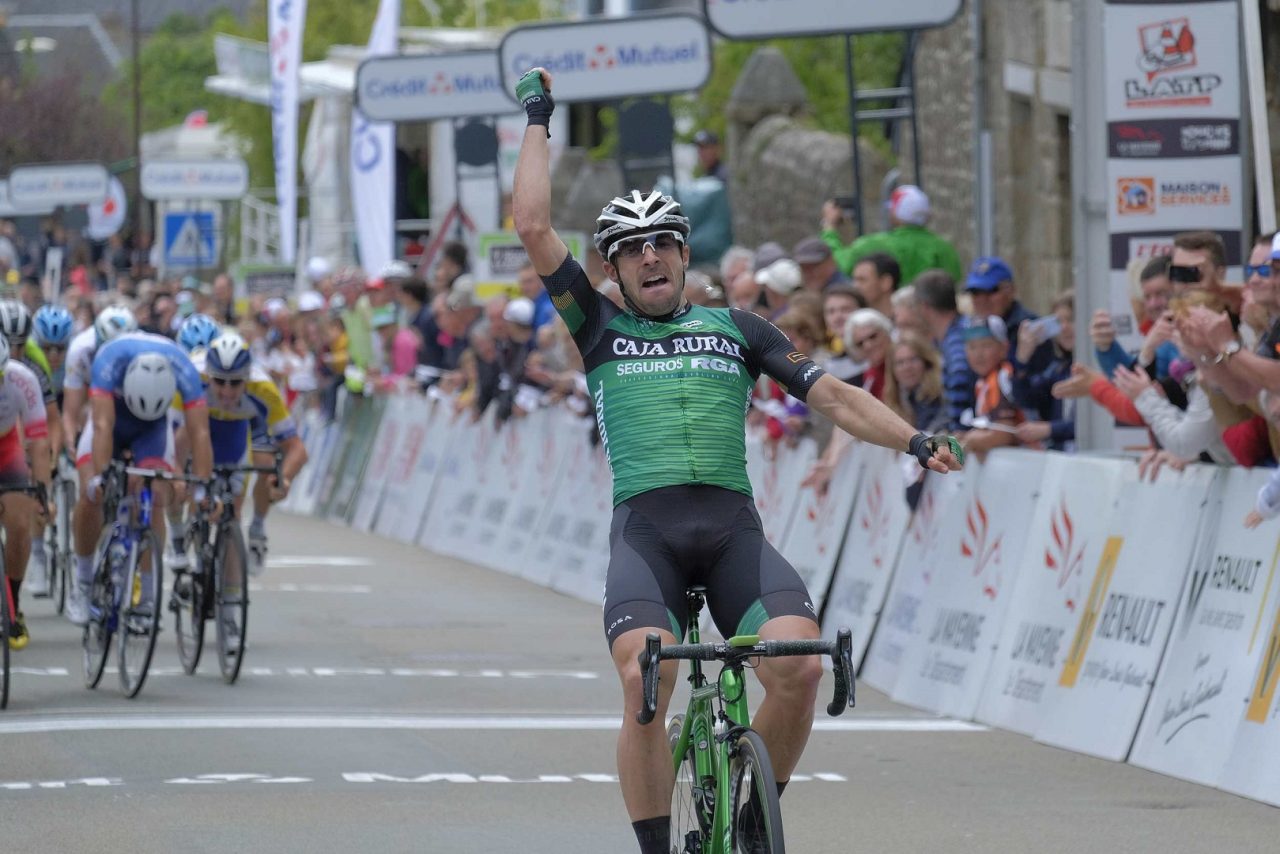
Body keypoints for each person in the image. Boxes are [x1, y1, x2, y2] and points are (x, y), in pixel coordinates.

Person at [511, 66, 961, 854]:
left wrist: (916, 441)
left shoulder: (740, 327)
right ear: (612, 269)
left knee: (801, 668)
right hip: (646, 535)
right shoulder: (598, 330)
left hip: (730, 533)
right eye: (631, 249)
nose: (650, 257)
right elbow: (533, 225)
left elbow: (836, 398)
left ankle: (754, 816)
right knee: (642, 686)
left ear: (684, 254)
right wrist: (540, 118)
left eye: (663, 243)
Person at [81, 332, 214, 622]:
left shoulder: (185, 371)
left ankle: (148, 597)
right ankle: (82, 580)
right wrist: (102, 478)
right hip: (113, 417)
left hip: (152, 426)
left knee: (155, 495)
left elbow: (200, 433)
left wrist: (203, 489)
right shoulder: (108, 361)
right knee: (91, 492)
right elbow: (102, 427)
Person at [62, 305, 139, 624]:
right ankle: (82, 582)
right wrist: (71, 439)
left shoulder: (143, 350)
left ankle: (139, 583)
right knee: (90, 492)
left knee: (144, 491)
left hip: (136, 418)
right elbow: (71, 410)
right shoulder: (81, 350)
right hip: (97, 417)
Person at [0, 336, 52, 650]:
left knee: (20, 524)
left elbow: (39, 441)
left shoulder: (23, 380)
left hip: (6, 447)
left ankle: (12, 603)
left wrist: (42, 491)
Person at [820, 184, 962, 285]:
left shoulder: (873, 244)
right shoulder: (946, 249)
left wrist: (829, 228)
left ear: (894, 213)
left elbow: (837, 262)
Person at [851, 252, 900, 318]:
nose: (855, 286)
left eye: (862, 280)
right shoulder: (854, 320)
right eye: (854, 280)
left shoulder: (905, 322)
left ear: (886, 282)